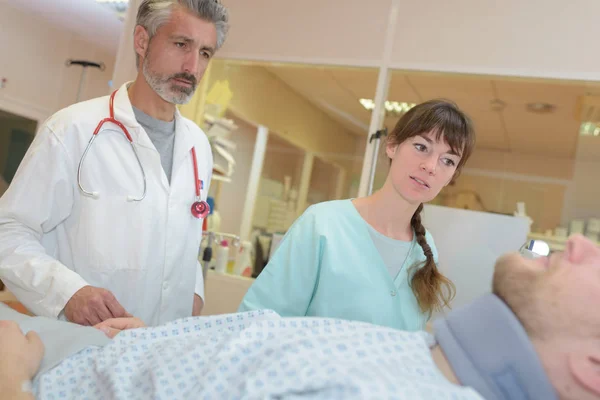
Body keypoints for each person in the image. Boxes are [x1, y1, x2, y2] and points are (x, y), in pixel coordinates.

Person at [1, 233, 598, 399]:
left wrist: (12, 387)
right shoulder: (434, 361)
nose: (580, 243)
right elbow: (262, 351)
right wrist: (167, 343)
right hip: (105, 356)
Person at [0, 0, 229, 327]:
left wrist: (192, 289)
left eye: (205, 53)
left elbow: (177, 237)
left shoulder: (198, 148)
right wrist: (68, 293)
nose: (192, 67)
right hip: (82, 343)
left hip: (157, 350)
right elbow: (8, 230)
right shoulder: (72, 130)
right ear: (141, 40)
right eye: (181, 44)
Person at [238, 99, 476, 331]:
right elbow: (260, 322)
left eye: (448, 160)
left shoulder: (426, 250)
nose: (431, 166)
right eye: (421, 147)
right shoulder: (323, 224)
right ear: (392, 146)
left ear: (452, 176)